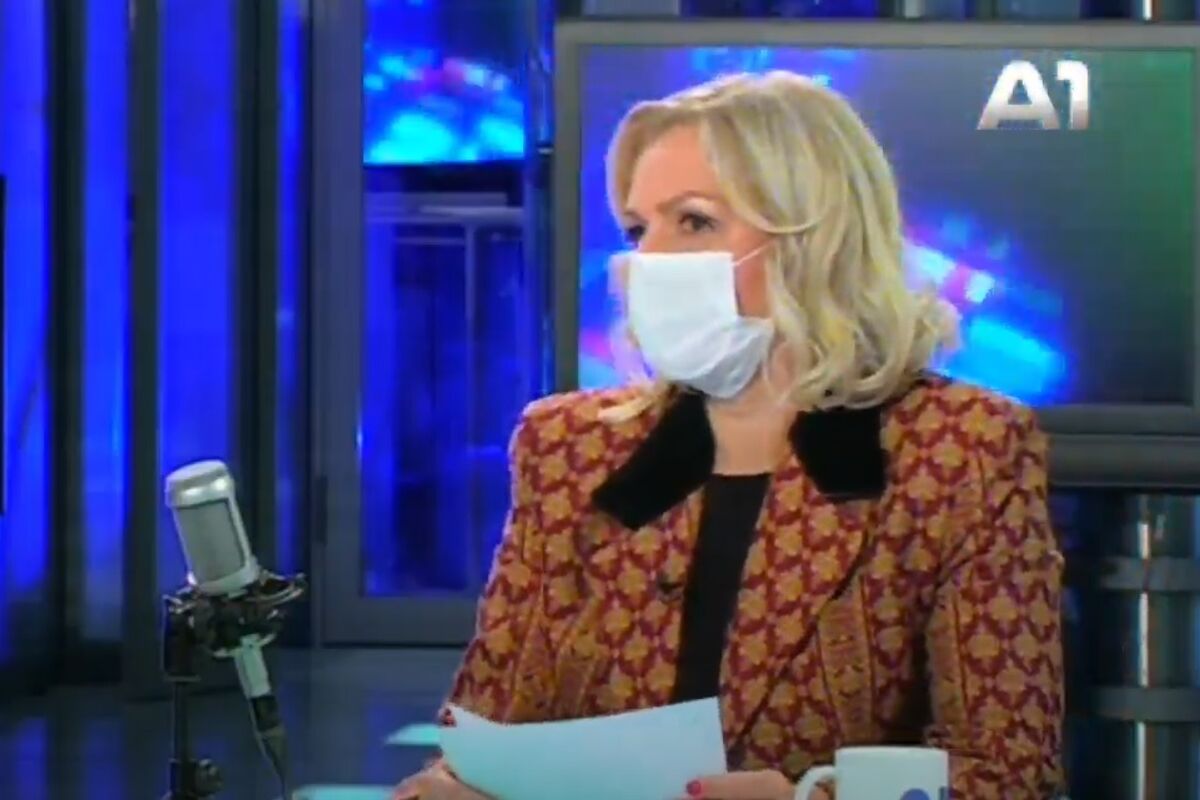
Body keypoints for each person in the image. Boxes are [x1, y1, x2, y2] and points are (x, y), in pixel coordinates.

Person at [394, 70, 1065, 800]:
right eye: (638, 229)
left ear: (815, 237)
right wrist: (452, 788)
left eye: (694, 222)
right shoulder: (567, 448)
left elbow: (1006, 773)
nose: (649, 260)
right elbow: (489, 734)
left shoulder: (962, 449)